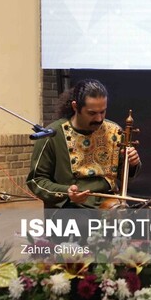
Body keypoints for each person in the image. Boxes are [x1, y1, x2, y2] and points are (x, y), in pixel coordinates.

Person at [27, 79, 142, 209]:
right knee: (95, 228)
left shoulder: (114, 131)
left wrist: (132, 163)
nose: (99, 119)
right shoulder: (53, 135)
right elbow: (36, 181)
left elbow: (124, 175)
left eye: (102, 112)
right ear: (75, 106)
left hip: (110, 201)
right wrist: (67, 191)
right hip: (71, 204)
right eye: (92, 113)